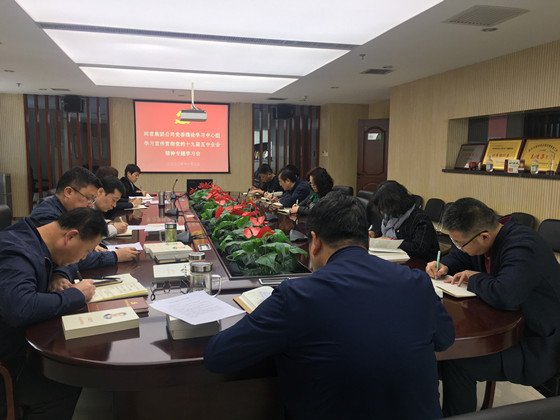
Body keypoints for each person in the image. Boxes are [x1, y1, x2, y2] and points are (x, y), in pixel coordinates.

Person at [205, 193, 455, 419]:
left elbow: (218, 356)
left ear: (314, 241)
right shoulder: (417, 282)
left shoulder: (298, 295)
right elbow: (445, 339)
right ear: (366, 240)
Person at [425, 198, 560, 416]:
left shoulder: (522, 246)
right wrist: (445, 265)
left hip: (537, 342)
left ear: (484, 237)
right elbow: (462, 255)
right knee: (433, 356)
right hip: (509, 326)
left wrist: (474, 278)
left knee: (458, 364)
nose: (458, 247)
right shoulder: (487, 236)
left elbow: (505, 295)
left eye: (459, 243)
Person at [0, 208, 107, 420]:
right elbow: (20, 308)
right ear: (71, 236)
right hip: (9, 362)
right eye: (86, 250)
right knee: (65, 383)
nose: (83, 257)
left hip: (20, 345)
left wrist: (58, 273)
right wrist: (76, 295)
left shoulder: (36, 236)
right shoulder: (16, 254)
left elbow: (69, 263)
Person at [30, 167, 138, 271]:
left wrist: (93, 245)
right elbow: (70, 258)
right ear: (69, 192)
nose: (91, 205)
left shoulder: (68, 212)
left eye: (93, 200)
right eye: (89, 199)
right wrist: (115, 256)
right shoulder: (46, 215)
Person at [369, 180, 440, 261]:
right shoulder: (389, 215)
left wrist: (392, 242)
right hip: (393, 258)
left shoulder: (420, 219)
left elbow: (419, 249)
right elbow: (380, 231)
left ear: (396, 203)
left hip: (419, 262)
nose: (382, 210)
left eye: (385, 206)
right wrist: (373, 234)